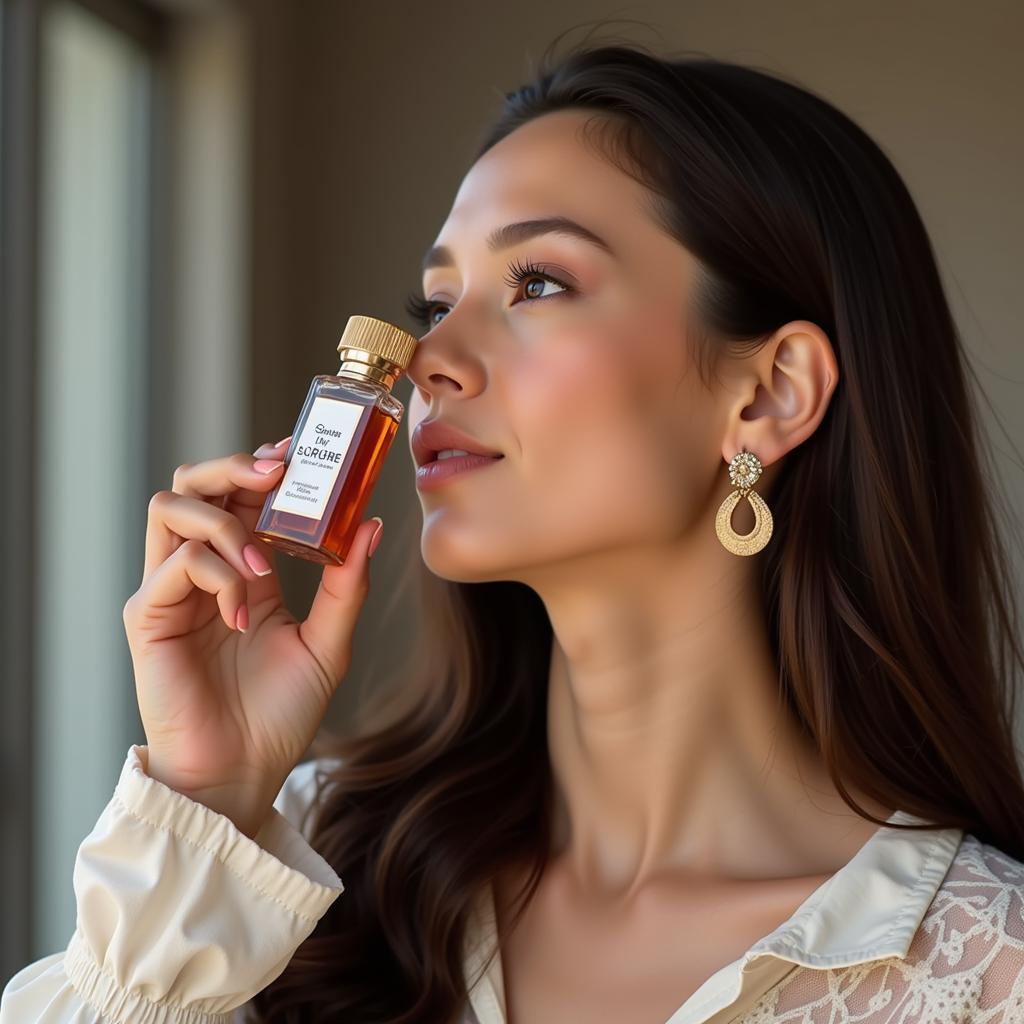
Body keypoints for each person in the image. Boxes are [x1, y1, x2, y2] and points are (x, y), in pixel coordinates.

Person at [4, 30, 1024, 1024]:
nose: (429, 358)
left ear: (769, 392)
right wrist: (208, 797)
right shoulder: (286, 865)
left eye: (537, 281)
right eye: (435, 302)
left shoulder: (991, 974)